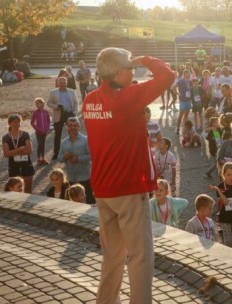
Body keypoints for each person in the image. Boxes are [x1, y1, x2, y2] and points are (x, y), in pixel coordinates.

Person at [82, 48, 174, 303]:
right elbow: (167, 76)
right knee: (141, 256)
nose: (134, 72)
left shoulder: (89, 100)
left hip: (103, 189)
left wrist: (129, 63)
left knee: (112, 256)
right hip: (129, 190)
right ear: (120, 72)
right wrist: (146, 59)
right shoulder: (126, 99)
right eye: (131, 68)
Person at [57, 117, 95, 205]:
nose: (72, 128)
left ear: (79, 126)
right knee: (72, 204)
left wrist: (78, 158)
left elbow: (92, 156)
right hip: (71, 177)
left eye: (75, 125)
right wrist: (65, 157)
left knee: (89, 203)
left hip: (84, 178)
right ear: (67, 126)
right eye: (70, 125)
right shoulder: (64, 142)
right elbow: (59, 158)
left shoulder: (85, 140)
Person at [47, 76, 79, 160]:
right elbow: (49, 103)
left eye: (64, 83)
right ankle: (56, 153)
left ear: (66, 83)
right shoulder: (53, 92)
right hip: (59, 115)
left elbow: (76, 103)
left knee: (72, 134)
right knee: (58, 135)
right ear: (58, 83)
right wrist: (56, 106)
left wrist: (74, 113)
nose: (62, 84)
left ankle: (73, 152)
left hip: (70, 114)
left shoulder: (72, 91)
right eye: (60, 83)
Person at [2, 114, 35, 194]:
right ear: (9, 123)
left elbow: (29, 150)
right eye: (15, 122)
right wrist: (20, 149)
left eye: (18, 122)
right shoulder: (6, 137)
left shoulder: (25, 134)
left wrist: (13, 152)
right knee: (14, 188)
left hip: (26, 163)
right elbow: (6, 154)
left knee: (27, 188)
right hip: (13, 165)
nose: (17, 124)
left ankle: (26, 206)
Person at [30, 98, 50, 165]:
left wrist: (47, 128)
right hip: (38, 132)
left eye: (39, 103)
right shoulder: (35, 113)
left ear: (42, 103)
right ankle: (39, 159)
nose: (38, 105)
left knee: (43, 145)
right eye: (36, 104)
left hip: (45, 132)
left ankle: (43, 158)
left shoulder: (46, 112)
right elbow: (32, 122)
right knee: (40, 144)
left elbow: (48, 121)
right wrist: (37, 129)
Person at [174, 70, 192, 135]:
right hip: (183, 101)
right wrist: (178, 94)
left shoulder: (190, 81)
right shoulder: (180, 81)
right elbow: (174, 87)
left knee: (186, 115)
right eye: (188, 74)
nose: (189, 75)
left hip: (189, 100)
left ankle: (185, 128)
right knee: (181, 115)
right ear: (184, 74)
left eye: (189, 74)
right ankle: (178, 128)